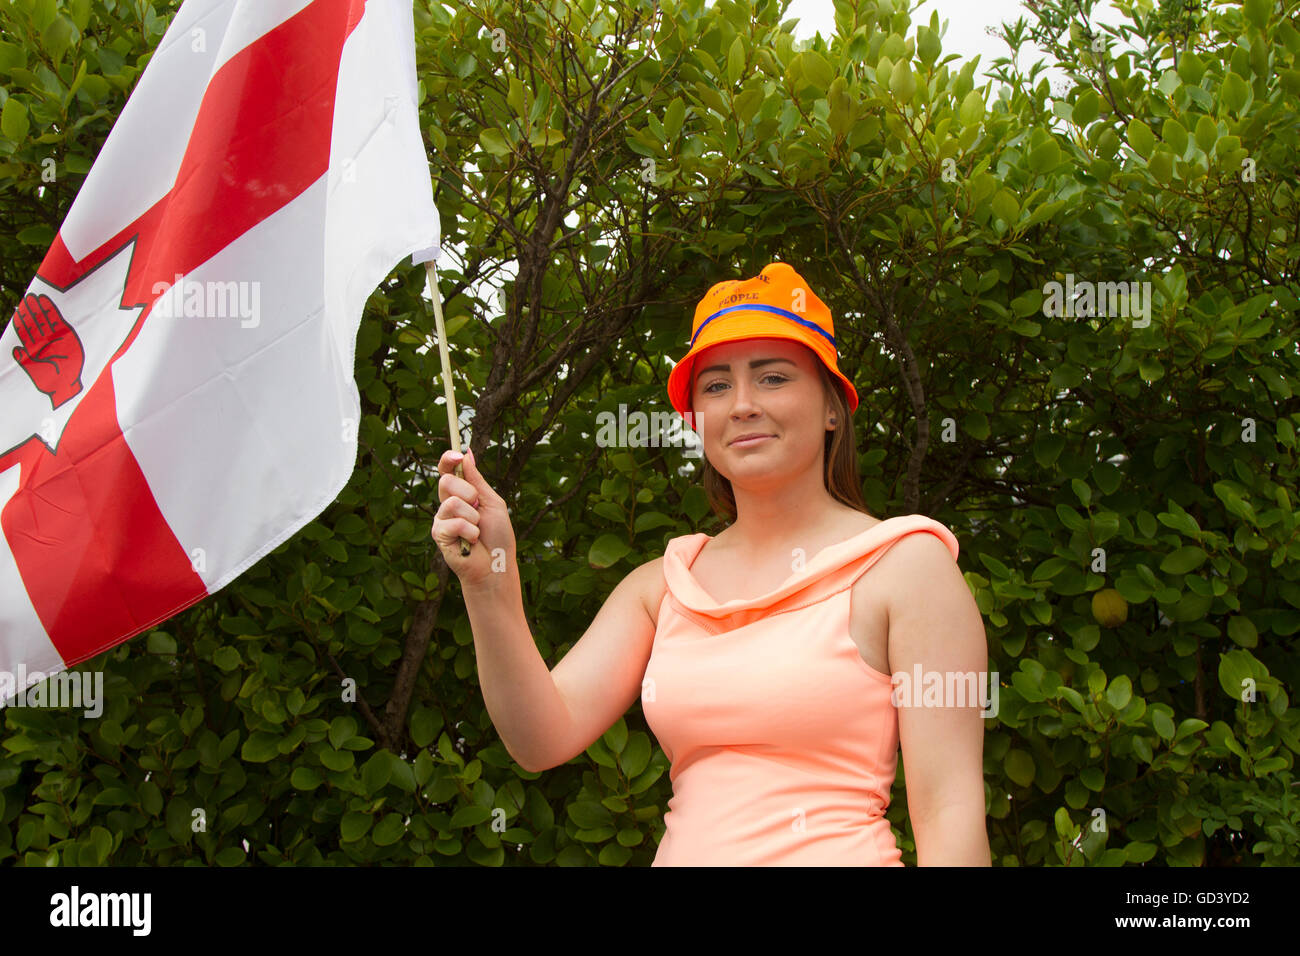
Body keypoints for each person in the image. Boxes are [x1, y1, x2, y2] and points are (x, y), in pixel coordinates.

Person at [432, 261, 991, 866]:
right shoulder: (662, 587)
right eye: (717, 386)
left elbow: (948, 809)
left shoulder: (906, 565)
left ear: (833, 408)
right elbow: (542, 738)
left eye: (773, 377)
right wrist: (490, 582)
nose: (743, 404)